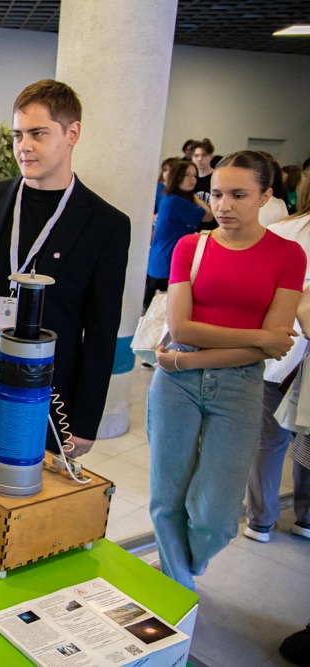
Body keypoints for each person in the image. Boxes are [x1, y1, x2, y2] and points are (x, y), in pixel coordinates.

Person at [0, 79, 130, 458]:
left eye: (38, 133)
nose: (24, 146)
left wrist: (85, 420)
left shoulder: (106, 224)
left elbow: (101, 331)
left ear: (72, 134)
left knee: (17, 489)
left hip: (40, 394)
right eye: (18, 134)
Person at [148, 151, 305, 591]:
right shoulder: (190, 246)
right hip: (176, 385)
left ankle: (182, 570)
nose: (223, 206)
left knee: (216, 516)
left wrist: (189, 359)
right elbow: (182, 328)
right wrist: (258, 338)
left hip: (236, 384)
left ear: (265, 197)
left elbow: (274, 343)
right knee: (167, 497)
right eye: (216, 194)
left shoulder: (288, 255)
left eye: (239, 195)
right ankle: (178, 588)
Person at [243, 172, 310, 543]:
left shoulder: (283, 231)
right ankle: (306, 518)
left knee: (269, 439)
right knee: (307, 441)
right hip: (294, 353)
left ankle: (261, 521)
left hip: (280, 353)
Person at [144, 160, 213, 310]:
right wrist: (195, 197)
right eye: (187, 175)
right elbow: (209, 215)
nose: (192, 179)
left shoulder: (170, 197)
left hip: (161, 260)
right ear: (177, 176)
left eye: (194, 175)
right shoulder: (177, 201)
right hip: (166, 262)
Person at [190, 138, 216, 230]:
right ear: (191, 158)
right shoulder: (189, 179)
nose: (200, 159)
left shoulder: (217, 178)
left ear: (211, 157)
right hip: (193, 227)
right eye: (196, 156)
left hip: (212, 227)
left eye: (204, 155)